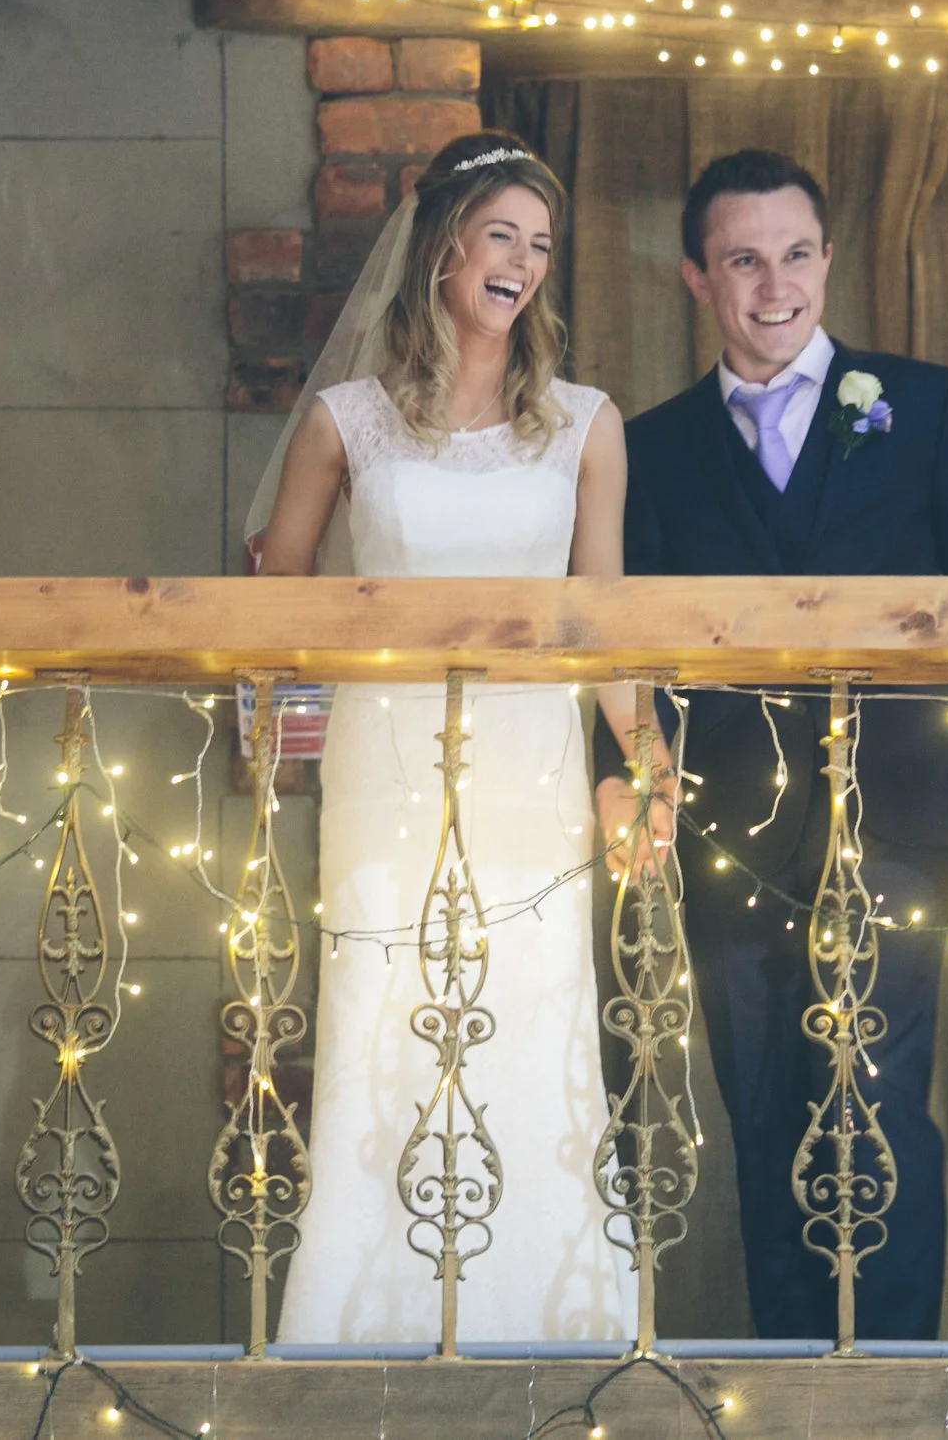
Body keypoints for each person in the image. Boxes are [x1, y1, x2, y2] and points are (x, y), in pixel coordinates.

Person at [591, 148, 948, 1342]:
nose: (775, 283)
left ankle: (895, 1383)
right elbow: (624, 635)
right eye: (743, 259)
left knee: (877, 1097)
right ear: (697, 278)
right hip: (726, 823)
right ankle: (788, 1380)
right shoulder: (648, 444)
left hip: (900, 805)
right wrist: (630, 778)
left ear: (827, 260)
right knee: (759, 1104)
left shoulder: (923, 401)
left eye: (796, 254)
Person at [251, 130, 655, 1343]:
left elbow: (606, 621)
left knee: (533, 1017)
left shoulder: (585, 423)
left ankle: (551, 1312)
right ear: (442, 248)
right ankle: (361, 1314)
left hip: (530, 768)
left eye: (539, 245)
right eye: (500, 236)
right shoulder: (345, 422)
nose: (523, 263)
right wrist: (273, 734)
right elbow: (277, 604)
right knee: (385, 1010)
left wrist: (645, 762)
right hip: (383, 765)